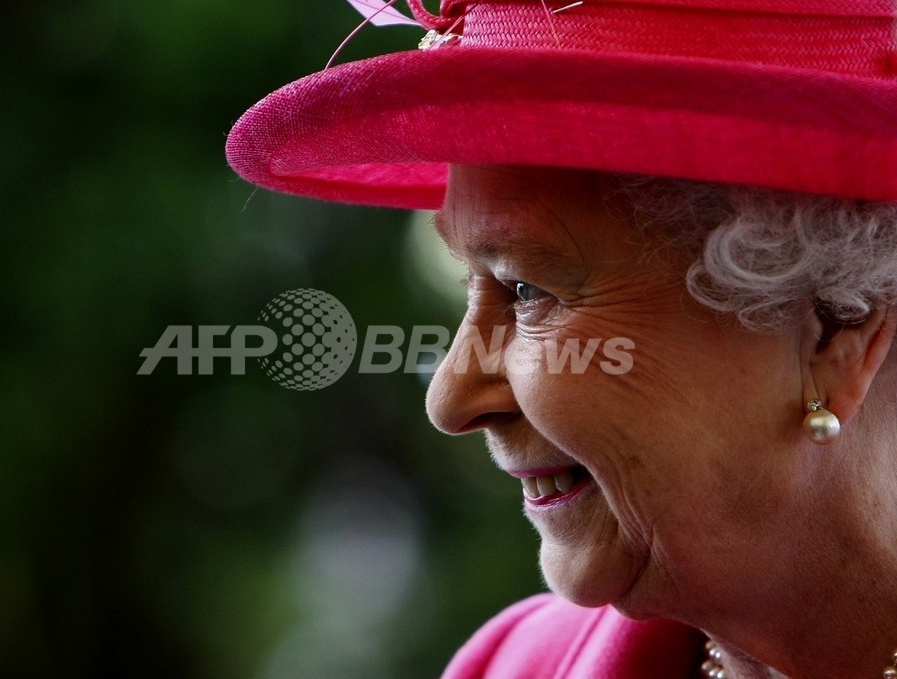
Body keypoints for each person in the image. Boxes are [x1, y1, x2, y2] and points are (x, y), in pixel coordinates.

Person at [227, 1, 897, 677]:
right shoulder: (512, 665)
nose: (451, 396)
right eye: (471, 282)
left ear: (839, 325)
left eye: (526, 290)